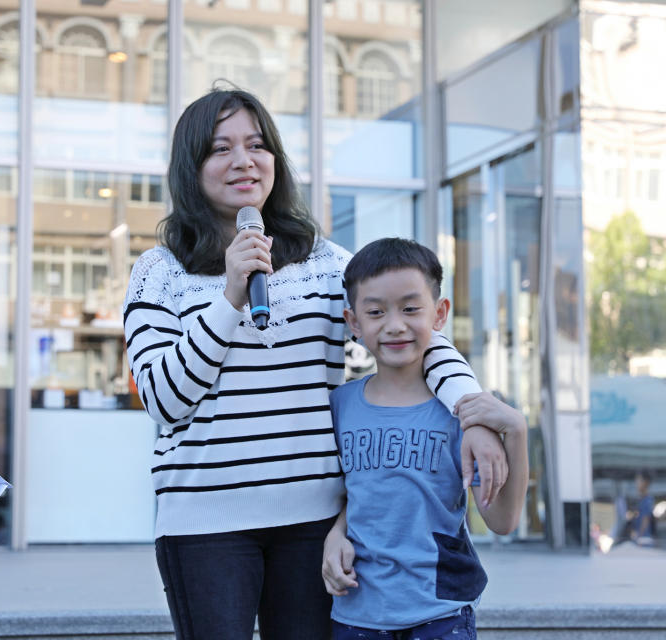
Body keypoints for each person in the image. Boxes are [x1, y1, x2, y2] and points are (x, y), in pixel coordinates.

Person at [123, 87, 509, 640]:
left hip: (312, 523)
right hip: (204, 522)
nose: (243, 161)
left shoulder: (326, 264)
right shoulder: (159, 271)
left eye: (257, 145)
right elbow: (164, 399)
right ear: (191, 166)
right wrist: (230, 294)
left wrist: (473, 413)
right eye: (220, 148)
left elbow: (412, 338)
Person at [324, 237, 529, 639]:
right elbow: (351, 497)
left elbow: (502, 520)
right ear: (354, 322)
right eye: (376, 311)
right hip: (356, 613)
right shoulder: (339, 406)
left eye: (410, 308)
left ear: (440, 313)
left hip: (442, 614)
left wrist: (516, 431)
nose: (395, 324)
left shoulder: (466, 415)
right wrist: (335, 534)